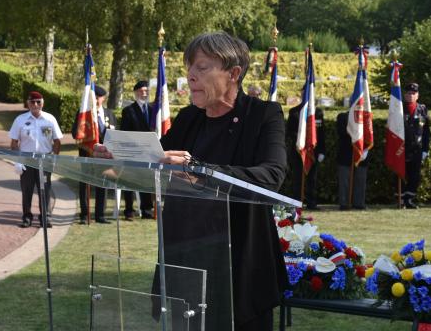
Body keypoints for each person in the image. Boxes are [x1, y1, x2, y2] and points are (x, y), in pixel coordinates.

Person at [95, 32, 288, 330]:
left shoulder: (263, 115)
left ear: (234, 73)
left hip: (241, 267)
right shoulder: (188, 118)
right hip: (186, 260)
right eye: (189, 67)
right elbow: (155, 166)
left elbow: (272, 176)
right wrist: (116, 161)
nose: (190, 76)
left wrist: (200, 170)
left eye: (202, 67)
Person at [9, 91, 62, 228]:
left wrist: (54, 158)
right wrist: (18, 161)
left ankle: (46, 217)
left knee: (45, 190)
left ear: (42, 103)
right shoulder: (20, 120)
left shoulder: (50, 119)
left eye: (38, 102)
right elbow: (14, 143)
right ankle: (27, 217)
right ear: (28, 103)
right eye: (32, 102)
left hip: (44, 160)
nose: (35, 104)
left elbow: (56, 141)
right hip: (27, 161)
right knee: (27, 191)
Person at [77, 85, 117, 224]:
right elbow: (75, 133)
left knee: (103, 183)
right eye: (94, 97)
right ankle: (84, 214)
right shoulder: (83, 113)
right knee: (85, 185)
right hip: (88, 154)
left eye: (98, 97)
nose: (96, 100)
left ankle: (100, 215)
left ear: (103, 98)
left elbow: (115, 133)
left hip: (104, 157)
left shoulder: (109, 114)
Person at [120, 80, 154, 220]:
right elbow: (125, 132)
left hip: (148, 152)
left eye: (146, 91)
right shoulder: (128, 111)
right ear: (136, 93)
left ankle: (147, 210)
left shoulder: (153, 110)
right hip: (132, 152)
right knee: (129, 181)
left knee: (145, 181)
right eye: (141, 91)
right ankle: (129, 210)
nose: (144, 93)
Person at [286, 101, 325, 210]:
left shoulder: (318, 112)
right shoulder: (294, 112)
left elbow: (321, 133)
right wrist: (302, 140)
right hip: (298, 151)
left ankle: (311, 203)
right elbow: (289, 131)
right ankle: (297, 202)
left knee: (312, 178)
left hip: (313, 151)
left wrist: (322, 150)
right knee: (298, 178)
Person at [399, 82, 430, 209]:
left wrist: (425, 149)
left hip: (417, 149)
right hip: (401, 148)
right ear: (405, 95)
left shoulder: (422, 109)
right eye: (408, 93)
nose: (411, 95)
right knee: (401, 173)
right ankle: (400, 200)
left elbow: (426, 131)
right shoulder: (399, 108)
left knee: (414, 175)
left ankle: (409, 200)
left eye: (413, 93)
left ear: (417, 95)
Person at [336, 111, 368, 210]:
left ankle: (359, 203)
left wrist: (366, 149)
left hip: (361, 152)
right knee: (344, 180)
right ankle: (344, 203)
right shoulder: (342, 117)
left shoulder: (366, 117)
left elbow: (369, 134)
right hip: (346, 153)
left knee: (360, 179)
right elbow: (341, 132)